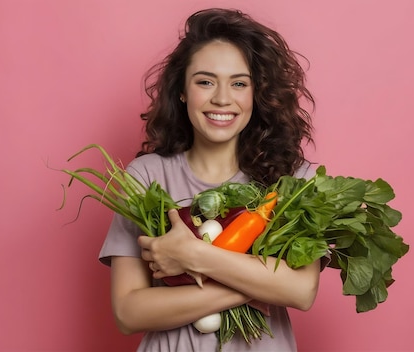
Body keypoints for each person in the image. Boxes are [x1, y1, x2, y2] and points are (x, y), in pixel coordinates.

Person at [99, 8, 323, 351]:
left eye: (239, 83)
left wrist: (192, 257)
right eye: (205, 81)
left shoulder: (293, 181)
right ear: (182, 91)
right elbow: (128, 312)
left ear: (256, 94)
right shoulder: (146, 176)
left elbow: (302, 292)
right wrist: (258, 284)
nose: (222, 98)